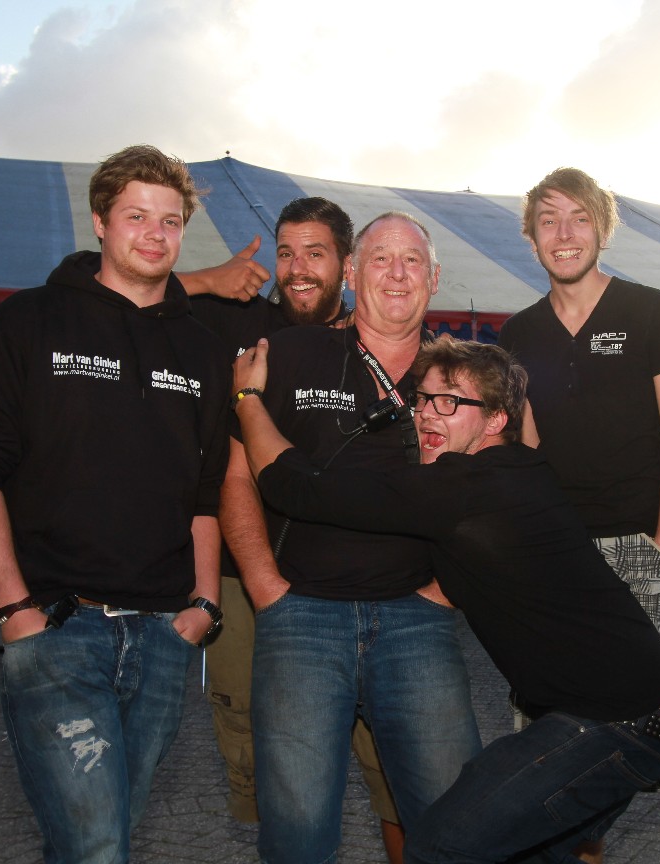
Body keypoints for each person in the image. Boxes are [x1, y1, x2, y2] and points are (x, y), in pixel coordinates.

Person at [234, 335, 660, 863]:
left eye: (450, 401)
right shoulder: (518, 469)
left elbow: (297, 488)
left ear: (496, 420)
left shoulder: (465, 488)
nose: (428, 413)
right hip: (639, 711)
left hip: (620, 720)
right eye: (423, 399)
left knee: (441, 844)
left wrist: (247, 398)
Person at [0, 144, 230, 863]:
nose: (155, 234)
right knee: (97, 845)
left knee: (103, 839)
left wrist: (202, 605)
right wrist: (14, 608)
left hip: (164, 635)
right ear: (100, 221)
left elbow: (205, 490)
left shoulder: (201, 351)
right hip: (59, 628)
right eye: (137, 216)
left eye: (170, 221)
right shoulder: (28, 322)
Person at [221, 211, 483, 863]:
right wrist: (264, 586)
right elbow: (237, 475)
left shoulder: (460, 379)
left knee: (458, 823)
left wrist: (445, 591)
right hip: (301, 616)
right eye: (381, 259)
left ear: (434, 278)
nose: (397, 273)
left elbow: (499, 486)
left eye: (412, 260)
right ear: (354, 273)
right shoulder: (288, 354)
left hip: (418, 620)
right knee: (298, 832)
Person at [497, 167, 660, 864]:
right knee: (565, 745)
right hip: (560, 561)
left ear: (601, 227)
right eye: (548, 220)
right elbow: (527, 453)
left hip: (640, 547)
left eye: (578, 218)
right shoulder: (519, 332)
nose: (564, 234)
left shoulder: (650, 310)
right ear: (531, 238)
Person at [189, 196, 405, 859]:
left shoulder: (379, 338)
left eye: (316, 253)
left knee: (390, 757)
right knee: (258, 749)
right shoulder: (234, 321)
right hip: (247, 577)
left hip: (356, 585)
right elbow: (107, 289)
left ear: (347, 264)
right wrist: (203, 280)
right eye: (286, 254)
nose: (298, 269)